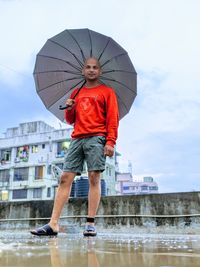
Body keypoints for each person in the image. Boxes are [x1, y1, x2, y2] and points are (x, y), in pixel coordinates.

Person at [30, 57, 119, 237]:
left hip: (97, 137)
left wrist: (110, 142)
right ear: (83, 71)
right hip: (77, 138)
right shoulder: (76, 93)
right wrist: (70, 107)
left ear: (99, 71)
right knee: (64, 178)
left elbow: (112, 118)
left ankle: (90, 223)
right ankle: (53, 223)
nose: (91, 70)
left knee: (94, 177)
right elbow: (70, 120)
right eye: (88, 67)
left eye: (95, 67)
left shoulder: (107, 92)